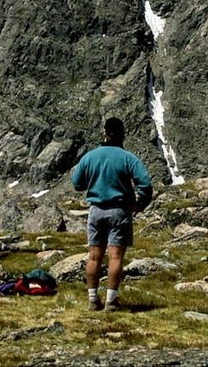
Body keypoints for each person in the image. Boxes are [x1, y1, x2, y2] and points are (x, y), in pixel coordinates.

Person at [71, 117, 152, 312]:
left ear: (104, 133)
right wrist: (140, 204)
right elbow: (145, 184)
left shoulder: (90, 157)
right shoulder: (127, 157)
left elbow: (77, 183)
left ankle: (92, 299)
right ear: (123, 134)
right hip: (119, 210)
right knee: (115, 257)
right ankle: (111, 300)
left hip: (96, 211)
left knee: (94, 257)